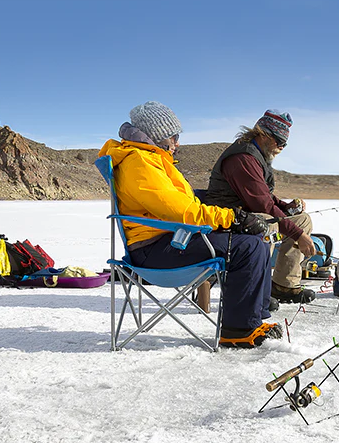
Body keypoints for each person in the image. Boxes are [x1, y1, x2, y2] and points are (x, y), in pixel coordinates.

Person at [98, 101, 282, 348]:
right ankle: (239, 330)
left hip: (167, 240)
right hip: (154, 251)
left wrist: (223, 210)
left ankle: (253, 319)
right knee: (248, 248)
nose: (177, 143)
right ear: (157, 136)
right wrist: (232, 218)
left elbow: (182, 202)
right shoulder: (140, 163)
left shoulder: (152, 160)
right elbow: (180, 211)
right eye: (174, 137)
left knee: (255, 240)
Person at [202, 109, 317, 304]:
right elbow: (262, 205)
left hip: (245, 217)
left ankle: (284, 286)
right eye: (278, 141)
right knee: (266, 223)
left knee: (302, 220)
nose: (281, 147)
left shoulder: (257, 156)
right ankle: (256, 291)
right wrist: (298, 235)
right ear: (263, 135)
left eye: (285, 143)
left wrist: (288, 207)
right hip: (226, 222)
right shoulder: (242, 159)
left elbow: (265, 196)